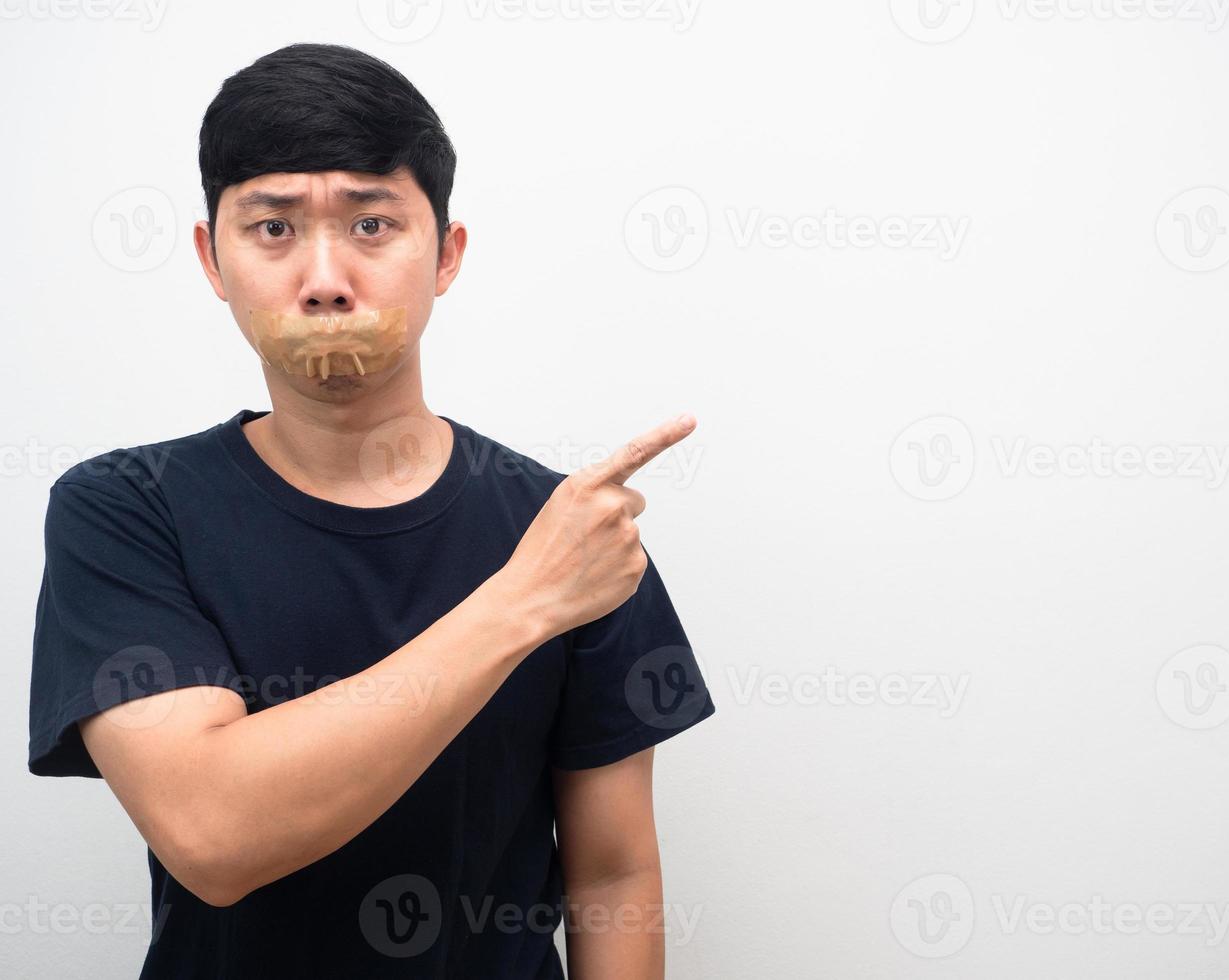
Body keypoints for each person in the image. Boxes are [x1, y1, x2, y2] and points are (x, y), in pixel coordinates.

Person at [27, 42, 715, 979]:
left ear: (446, 255)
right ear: (211, 258)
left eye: (373, 224)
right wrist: (524, 603)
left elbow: (613, 872)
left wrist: (550, 578)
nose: (323, 278)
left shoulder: (571, 533)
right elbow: (212, 832)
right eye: (272, 228)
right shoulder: (126, 511)